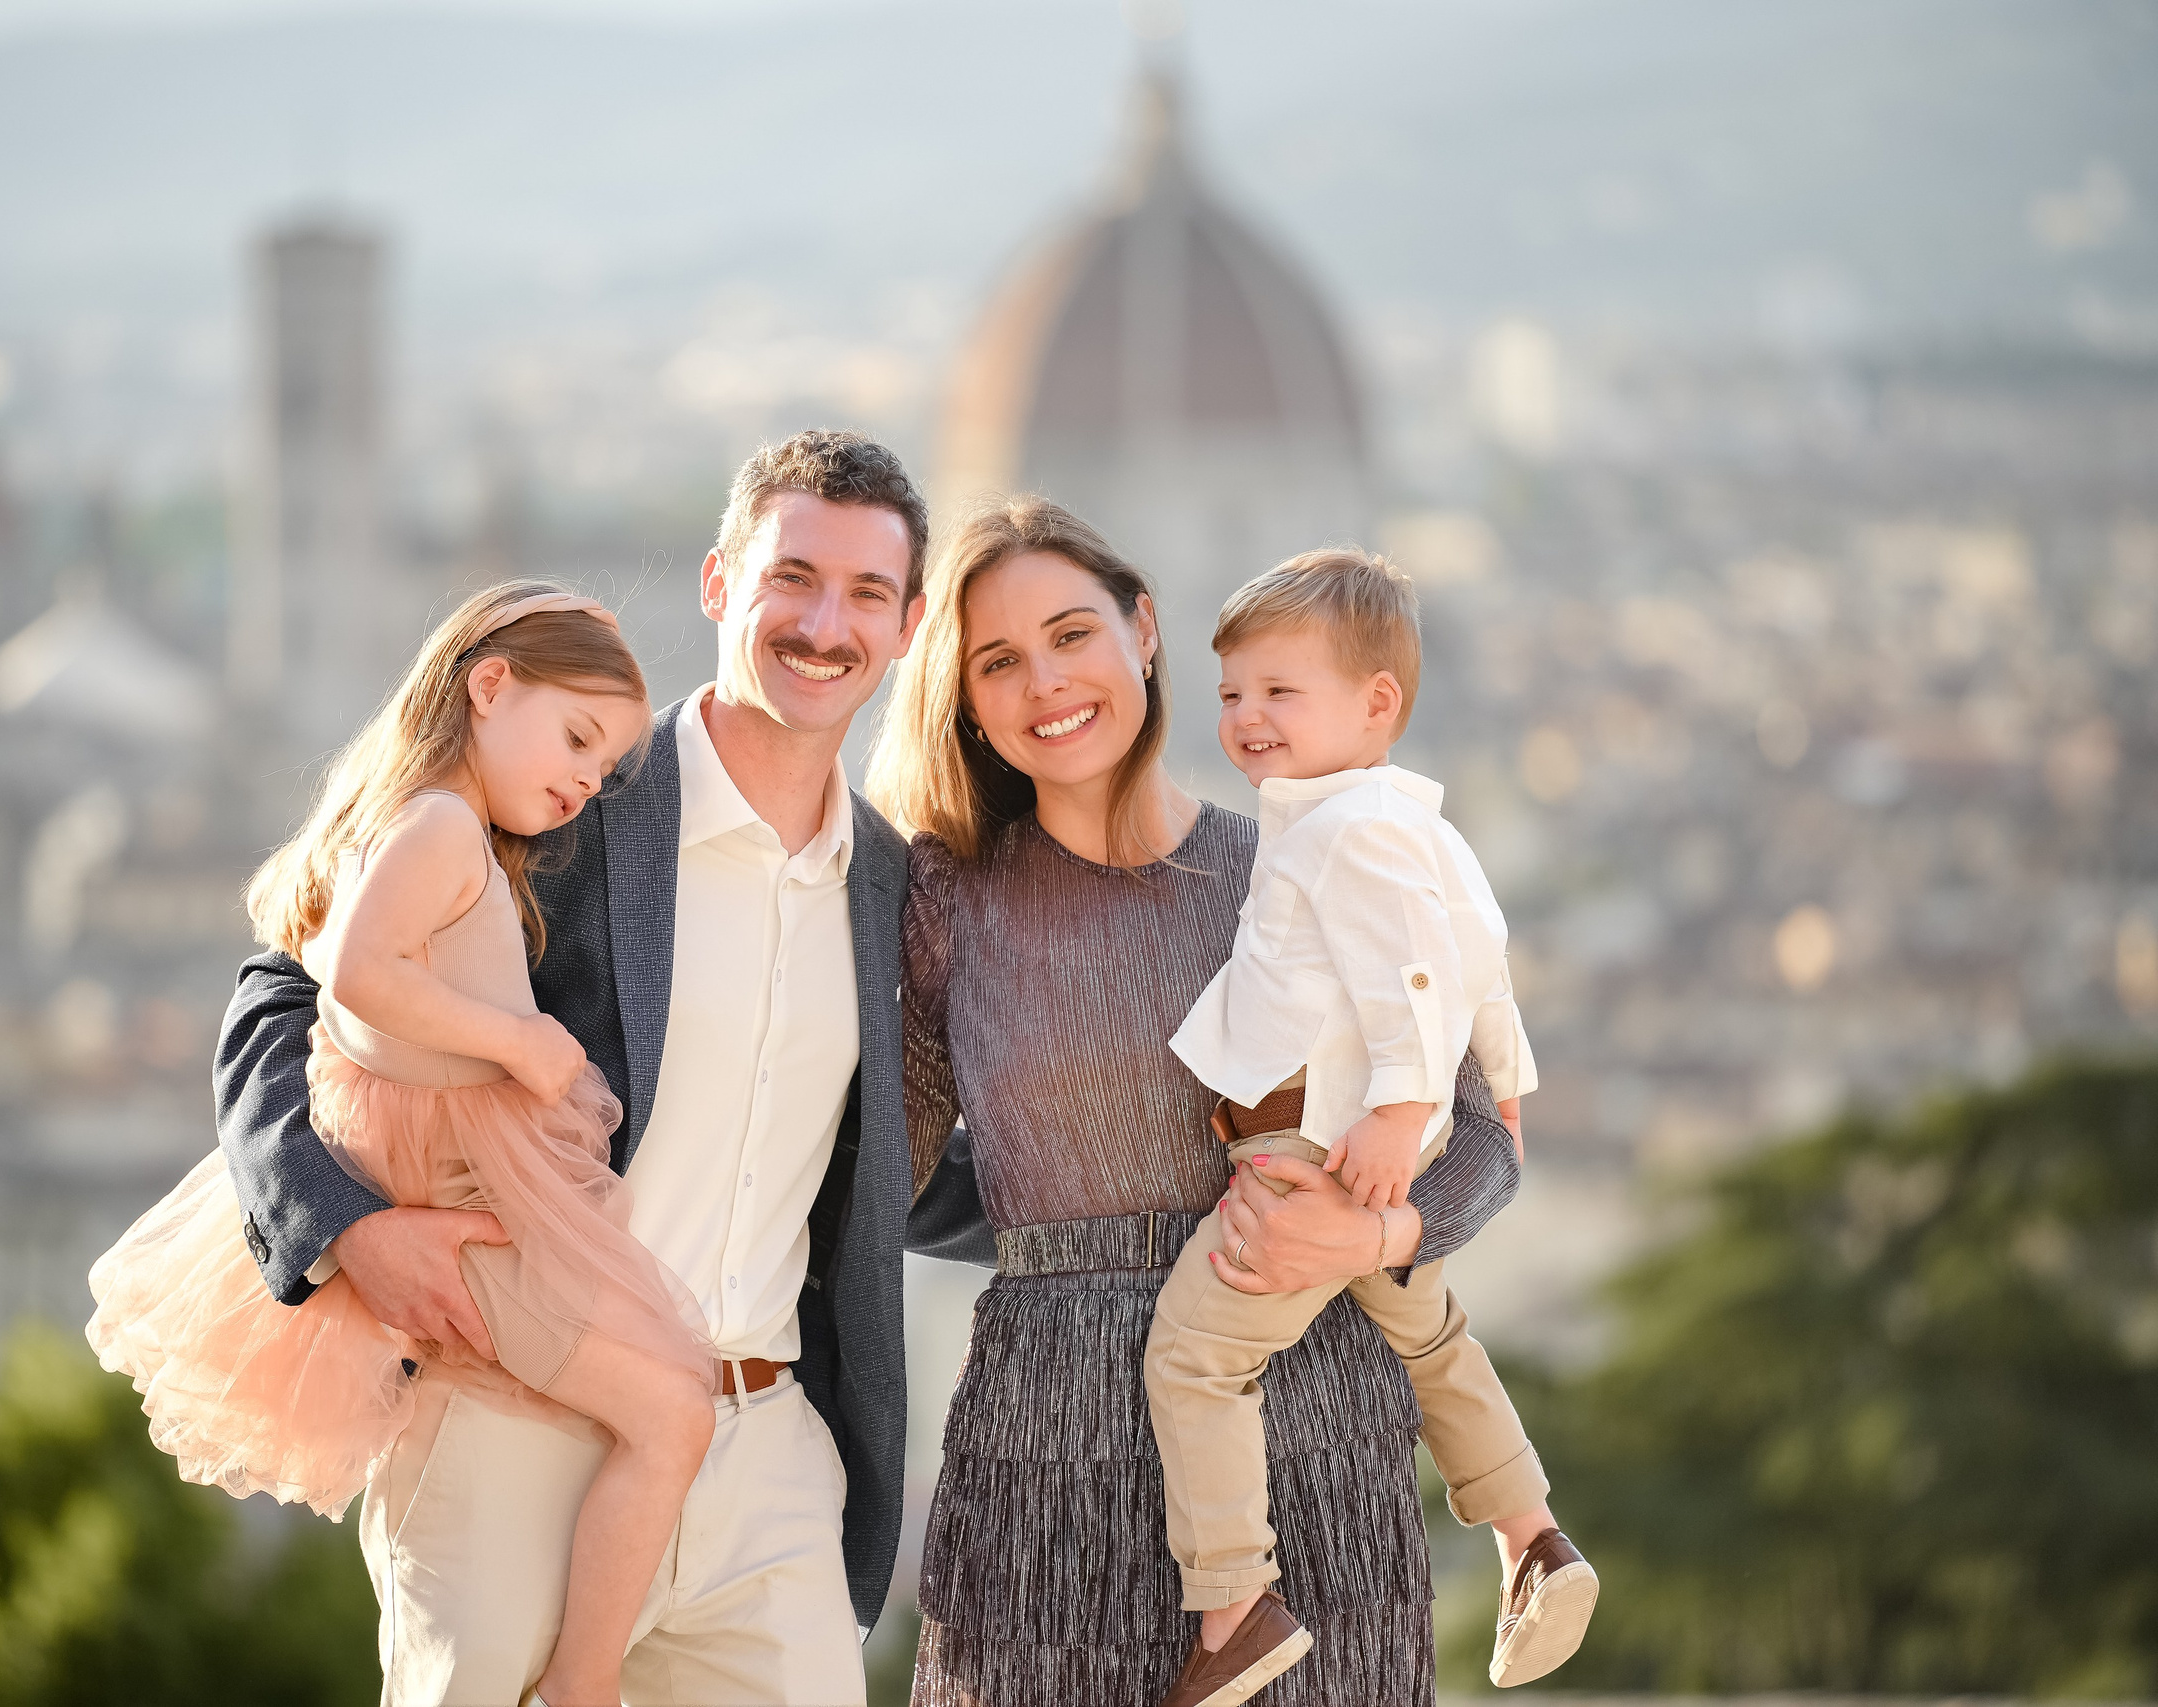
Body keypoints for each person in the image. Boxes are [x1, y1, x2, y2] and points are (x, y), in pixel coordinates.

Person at [211, 430, 1000, 1707]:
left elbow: (883, 1173)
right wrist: (343, 1228)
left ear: (907, 626)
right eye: (790, 576)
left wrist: (1157, 1201)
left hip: (765, 1454)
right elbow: (288, 988)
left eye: (865, 594)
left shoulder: (891, 884)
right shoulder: (572, 794)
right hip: (515, 1417)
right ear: (717, 583)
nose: (822, 623)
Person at [864, 497, 1523, 1707]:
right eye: (998, 662)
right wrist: (1050, 1232)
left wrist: (1372, 1233)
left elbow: (1478, 1132)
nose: (1044, 683)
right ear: (963, 702)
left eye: (1072, 635)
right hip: (1040, 1457)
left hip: (1306, 1435)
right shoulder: (947, 900)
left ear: (1147, 631)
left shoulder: (1311, 855)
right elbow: (880, 1176)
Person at [88, 584, 719, 1707]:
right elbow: (358, 976)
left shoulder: (435, 825)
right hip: (466, 1199)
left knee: (662, 1407)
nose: (583, 785)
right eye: (576, 741)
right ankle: (584, 1683)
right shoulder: (437, 827)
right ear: (490, 686)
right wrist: (519, 1040)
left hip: (466, 1186)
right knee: (673, 1410)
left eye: (603, 765)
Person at [1145, 549, 1596, 1705]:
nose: (1246, 718)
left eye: (1279, 693)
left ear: (1376, 703)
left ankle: (1233, 1608)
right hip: (1381, 1150)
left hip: (1321, 1150)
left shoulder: (1342, 831)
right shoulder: (1419, 829)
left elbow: (1413, 978)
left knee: (1196, 1355)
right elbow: (1478, 965)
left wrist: (1403, 1112)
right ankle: (1531, 1539)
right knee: (1432, 1340)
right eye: (1233, 692)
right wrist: (1496, 1093)